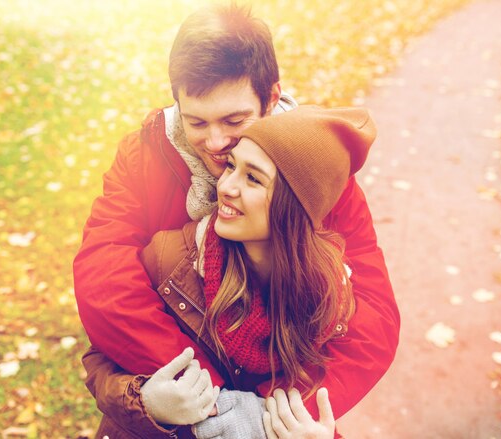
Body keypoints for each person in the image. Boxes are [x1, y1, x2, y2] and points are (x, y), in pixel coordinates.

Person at [74, 2, 399, 434]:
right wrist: (210, 395)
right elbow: (104, 273)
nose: (216, 143)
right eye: (196, 122)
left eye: (234, 120)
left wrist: (275, 416)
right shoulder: (145, 155)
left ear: (270, 97)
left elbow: (372, 311)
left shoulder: (312, 168)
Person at [82, 105, 375, 439]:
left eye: (253, 178)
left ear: (293, 206)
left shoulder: (328, 303)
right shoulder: (171, 260)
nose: (225, 186)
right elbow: (100, 361)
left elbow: (315, 409)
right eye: (232, 166)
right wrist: (146, 401)